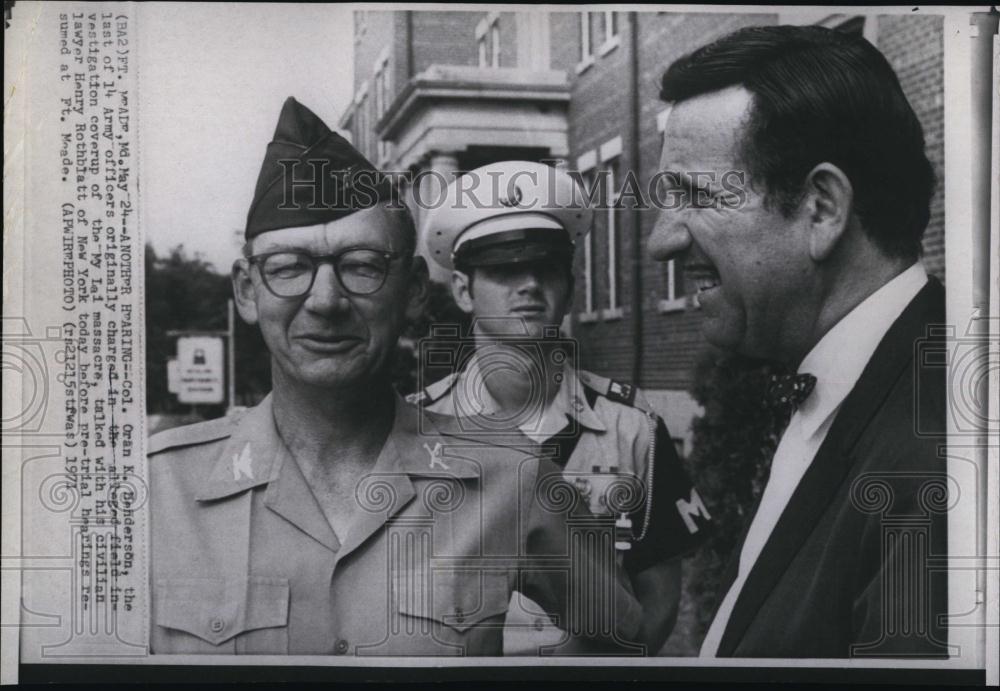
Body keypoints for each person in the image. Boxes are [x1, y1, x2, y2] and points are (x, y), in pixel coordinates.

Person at [147, 98, 642, 655]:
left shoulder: (513, 477)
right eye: (289, 267)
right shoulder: (154, 492)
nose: (326, 301)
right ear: (245, 290)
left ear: (410, 292)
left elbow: (619, 641)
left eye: (362, 266)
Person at [648, 25, 948, 658]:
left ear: (820, 209)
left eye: (694, 197)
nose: (662, 241)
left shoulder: (937, 465)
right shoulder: (856, 382)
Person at [410, 161, 712, 654]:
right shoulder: (417, 430)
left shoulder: (631, 428)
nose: (529, 283)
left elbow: (657, 602)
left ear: (569, 288)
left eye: (546, 266)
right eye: (505, 268)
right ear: (464, 291)